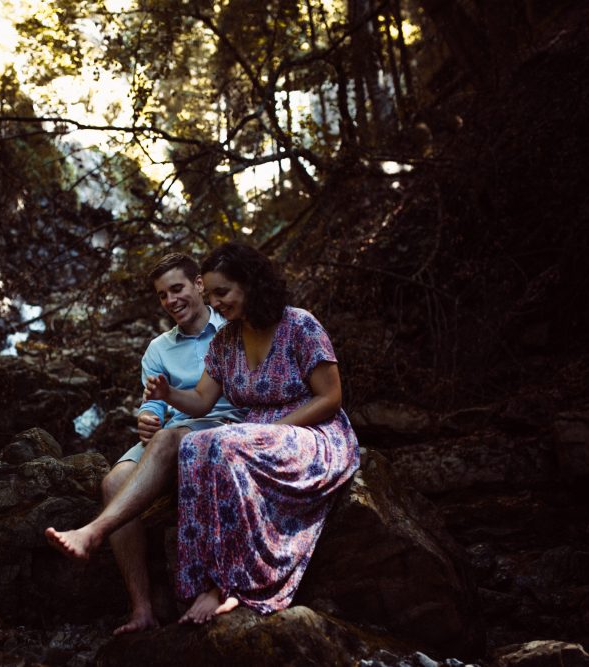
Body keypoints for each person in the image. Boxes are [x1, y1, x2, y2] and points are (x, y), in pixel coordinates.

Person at [144, 242, 360, 625]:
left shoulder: (299, 324)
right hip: (257, 432)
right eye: (210, 294)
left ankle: (231, 584)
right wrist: (166, 395)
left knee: (227, 444)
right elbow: (200, 400)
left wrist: (271, 430)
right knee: (193, 444)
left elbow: (331, 397)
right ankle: (201, 578)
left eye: (221, 292)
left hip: (312, 430)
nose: (216, 302)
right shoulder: (227, 339)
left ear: (250, 284)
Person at [45, 252, 244, 635]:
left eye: (177, 289)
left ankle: (93, 532)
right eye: (162, 295)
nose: (171, 301)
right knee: (113, 482)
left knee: (169, 439)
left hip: (222, 425)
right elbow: (152, 402)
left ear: (199, 285)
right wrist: (146, 418)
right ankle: (141, 608)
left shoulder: (230, 326)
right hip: (173, 429)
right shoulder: (158, 349)